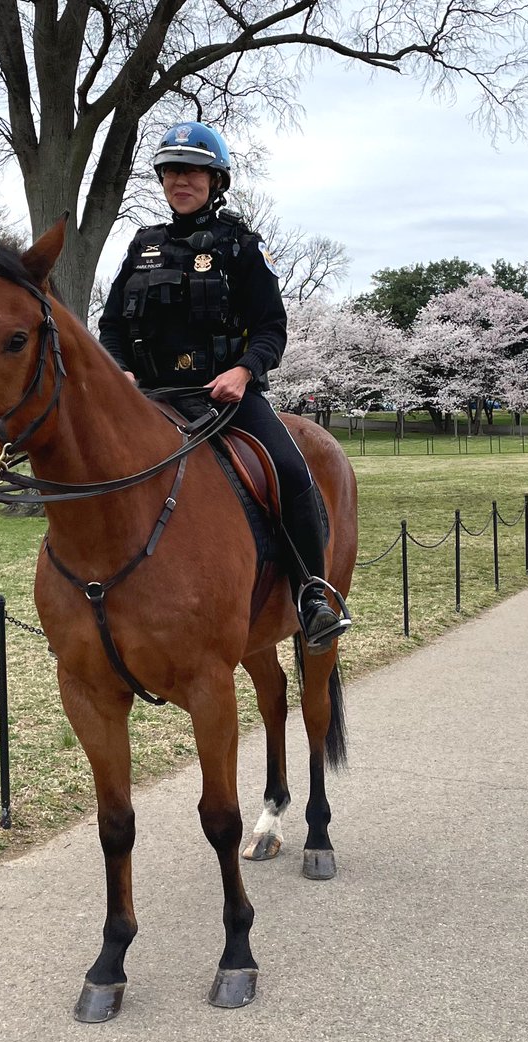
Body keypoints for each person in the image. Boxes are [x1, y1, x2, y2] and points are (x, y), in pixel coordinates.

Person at [98, 120, 350, 651]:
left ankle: (313, 594)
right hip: (151, 400)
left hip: (225, 398)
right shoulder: (141, 246)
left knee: (290, 468)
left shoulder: (241, 246)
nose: (178, 180)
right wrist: (118, 368)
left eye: (191, 170)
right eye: (169, 171)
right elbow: (113, 325)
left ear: (216, 180)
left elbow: (270, 327)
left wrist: (243, 372)